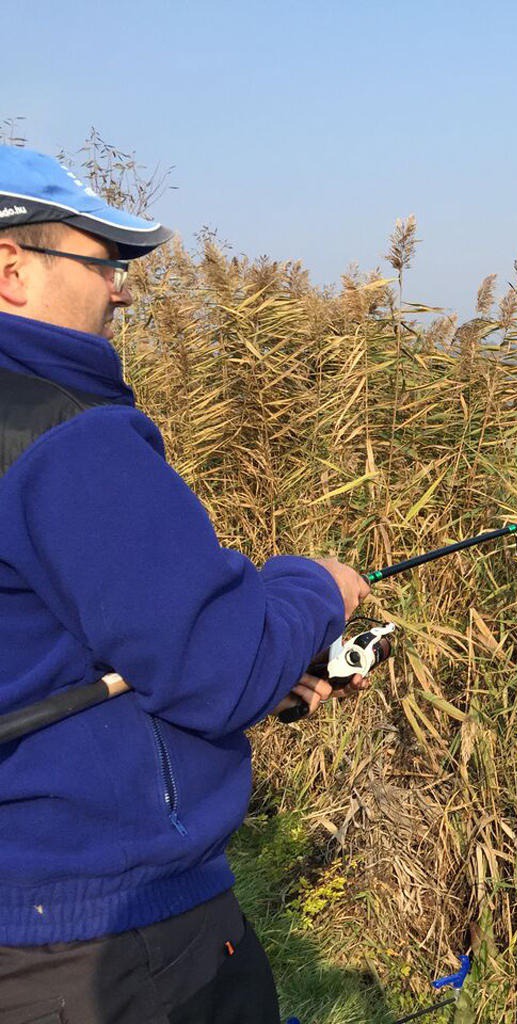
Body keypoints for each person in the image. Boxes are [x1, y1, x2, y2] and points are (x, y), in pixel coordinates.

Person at [0, 145, 370, 1022]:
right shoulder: (66, 438)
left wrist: (265, 678)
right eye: (104, 264)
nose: (121, 291)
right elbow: (213, 664)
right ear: (10, 269)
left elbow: (51, 649)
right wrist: (314, 585)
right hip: (107, 936)